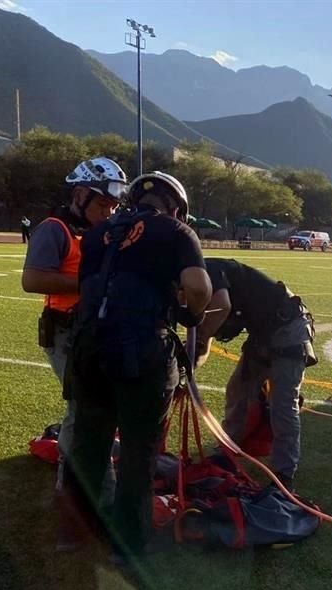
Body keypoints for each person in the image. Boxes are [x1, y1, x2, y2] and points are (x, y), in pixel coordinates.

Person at [62, 171, 211, 561]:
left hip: (89, 349)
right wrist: (190, 315)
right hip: (142, 351)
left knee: (89, 444)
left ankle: (77, 530)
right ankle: (127, 543)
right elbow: (198, 288)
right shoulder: (177, 232)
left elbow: (86, 290)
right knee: (137, 451)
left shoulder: (97, 234)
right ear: (175, 207)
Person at [21, 157, 128, 507]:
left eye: (113, 205)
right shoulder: (55, 229)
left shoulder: (102, 232)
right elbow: (33, 279)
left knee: (92, 406)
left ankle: (81, 479)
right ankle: (77, 489)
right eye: (102, 204)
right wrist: (93, 284)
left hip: (93, 330)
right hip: (66, 333)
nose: (109, 212)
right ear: (80, 195)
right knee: (83, 409)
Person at [194, 257, 317, 491]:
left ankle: (284, 473)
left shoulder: (210, 270)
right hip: (263, 333)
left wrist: (200, 336)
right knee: (238, 389)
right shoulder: (200, 281)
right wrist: (189, 370)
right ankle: (228, 451)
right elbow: (205, 341)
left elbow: (223, 306)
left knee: (282, 403)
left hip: (288, 328)